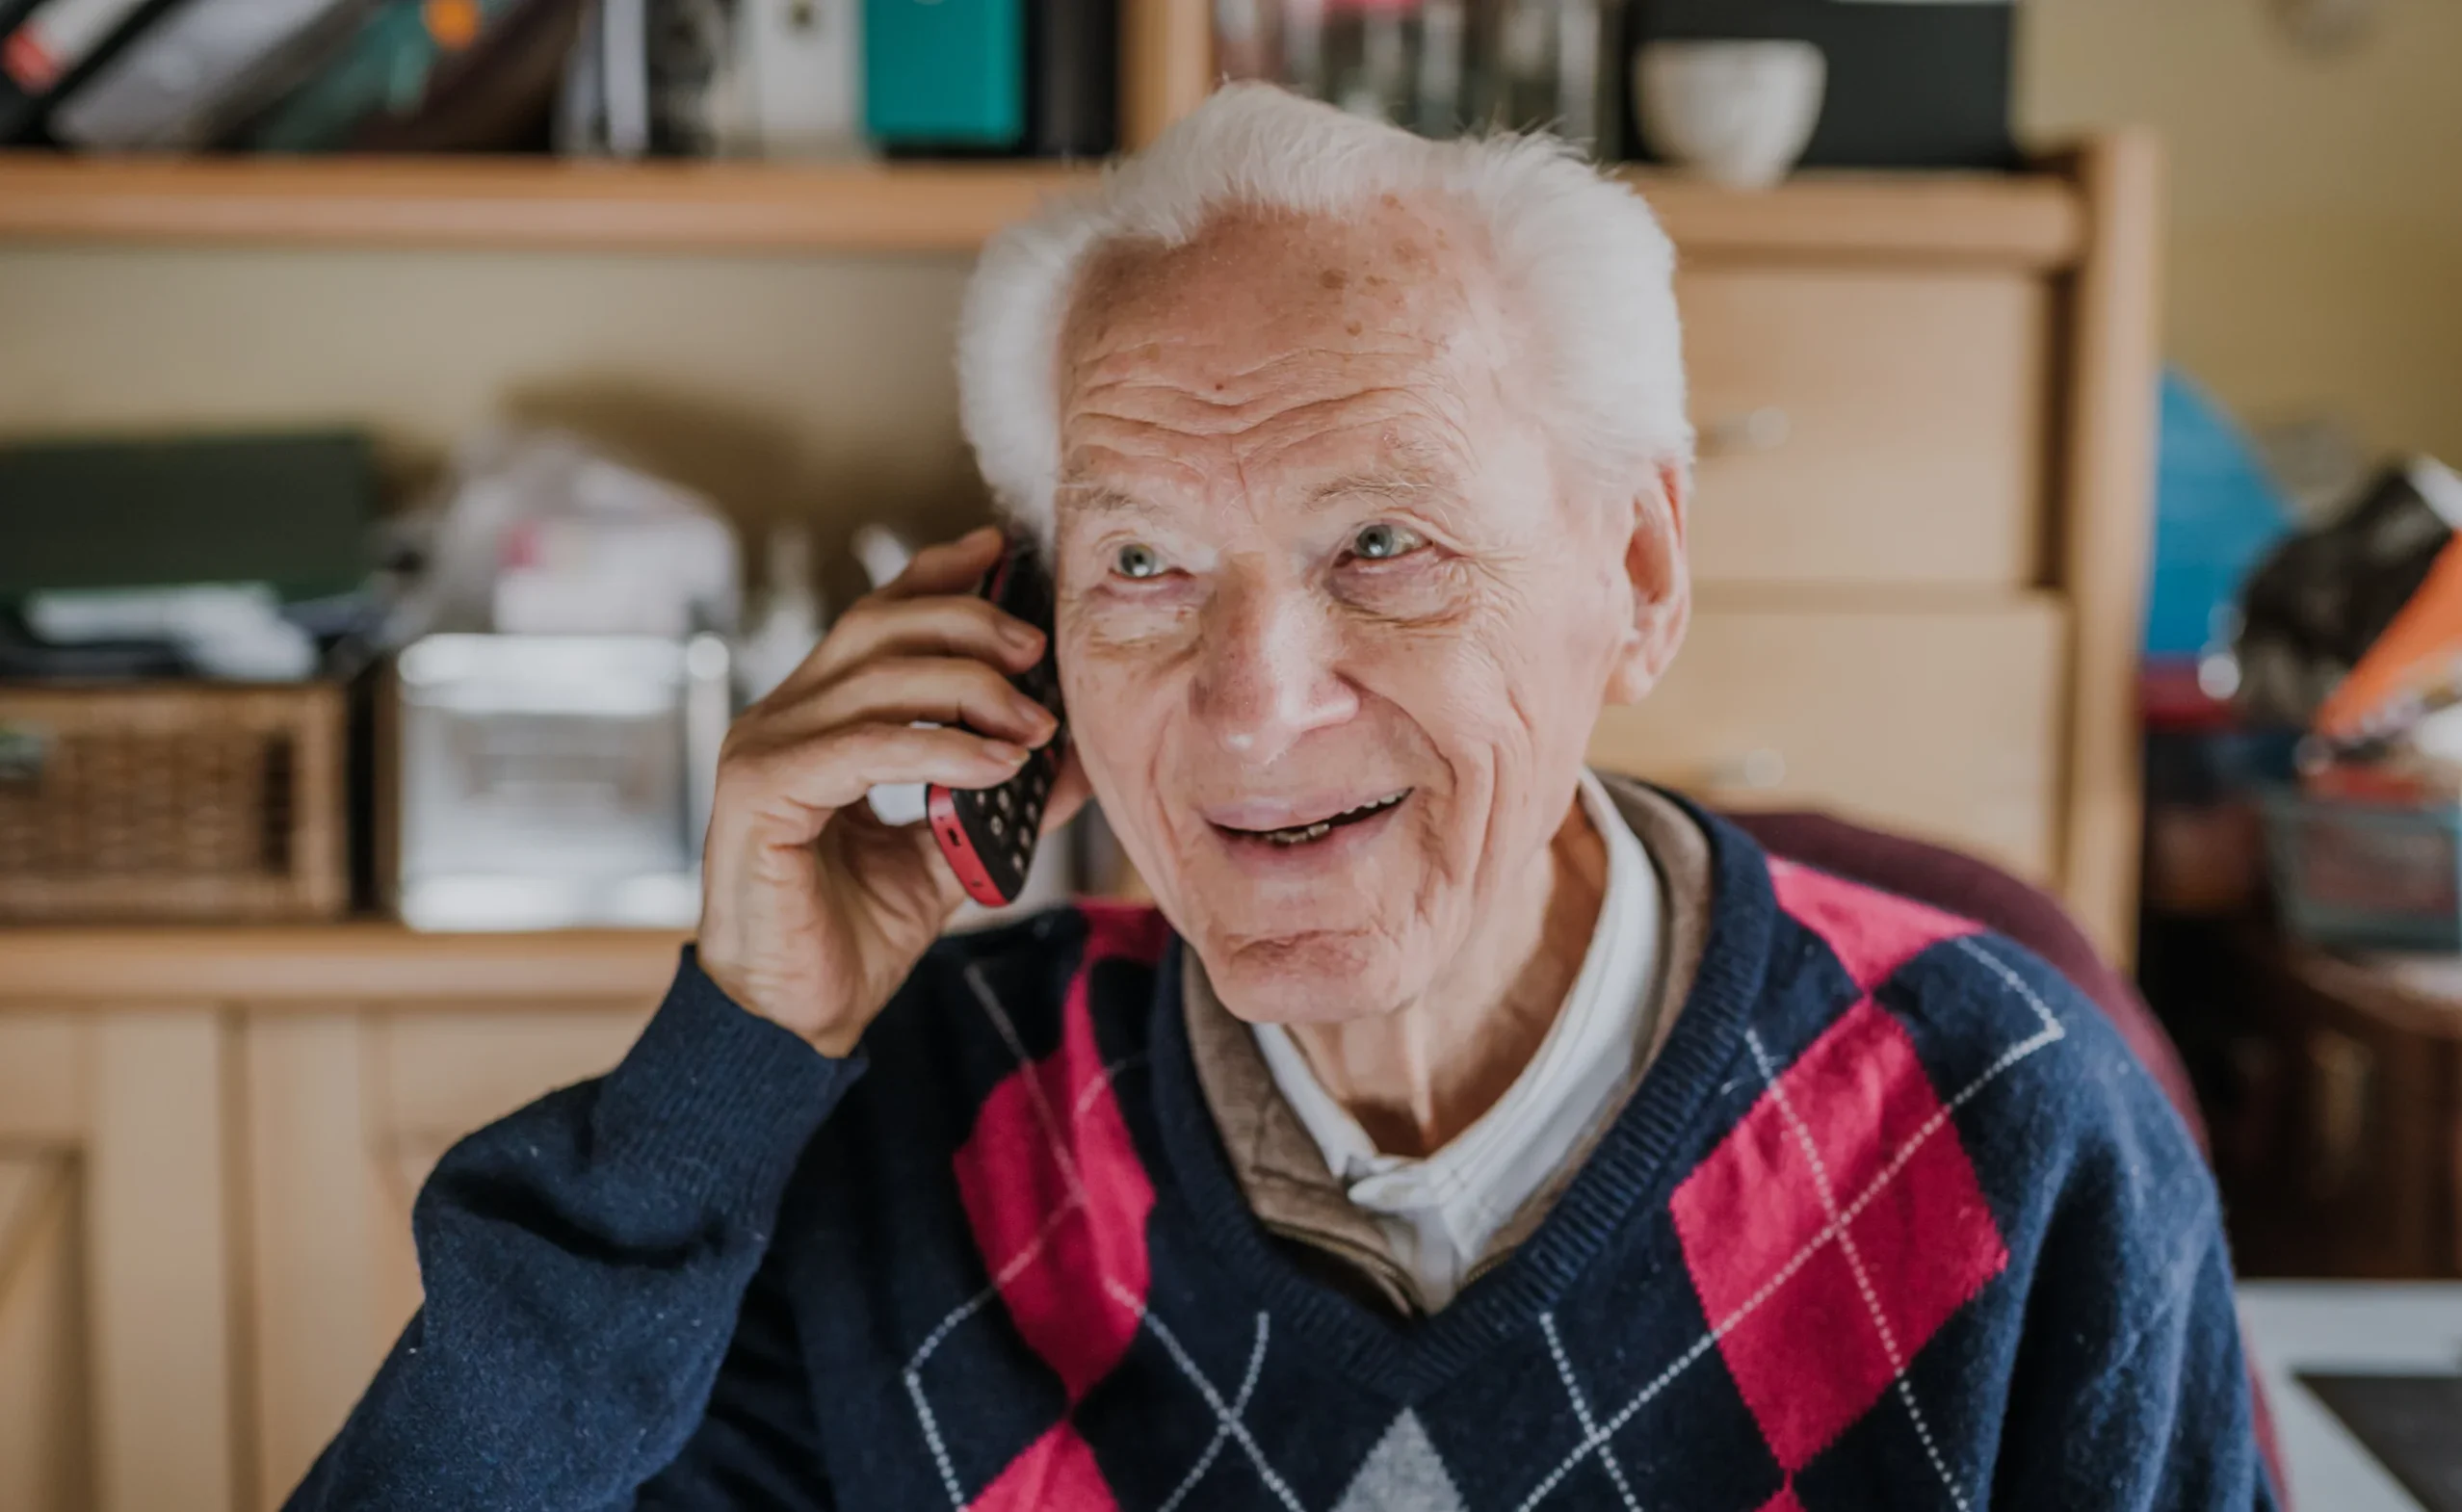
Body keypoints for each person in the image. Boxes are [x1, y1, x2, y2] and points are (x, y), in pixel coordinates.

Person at [289, 85, 2272, 1511]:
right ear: (1028, 632)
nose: (1255, 699)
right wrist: (736, 1042)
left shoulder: (2024, 1132)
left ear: (1638, 576)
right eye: (1141, 563)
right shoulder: (927, 1124)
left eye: (1383, 540)